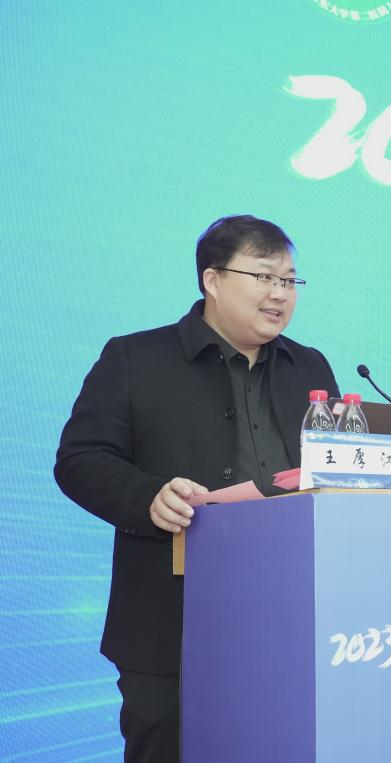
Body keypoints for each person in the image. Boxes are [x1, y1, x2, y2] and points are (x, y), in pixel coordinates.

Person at [54, 215, 340, 762]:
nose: (280, 294)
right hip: (169, 619)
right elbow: (80, 459)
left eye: (289, 280)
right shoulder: (136, 359)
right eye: (264, 277)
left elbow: (335, 469)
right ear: (213, 279)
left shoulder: (309, 366)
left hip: (290, 613)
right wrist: (148, 497)